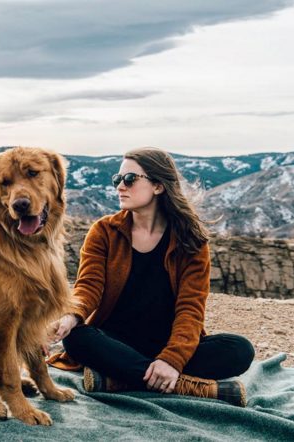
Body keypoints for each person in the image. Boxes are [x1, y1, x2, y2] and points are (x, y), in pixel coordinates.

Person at [47, 147, 255, 407]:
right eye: (117, 180)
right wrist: (70, 316)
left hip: (168, 343)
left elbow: (190, 309)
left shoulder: (191, 241)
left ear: (158, 186)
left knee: (239, 350)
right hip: (116, 342)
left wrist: (171, 359)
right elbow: (88, 287)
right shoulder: (104, 232)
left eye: (130, 179)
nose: (120, 186)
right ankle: (186, 386)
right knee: (77, 337)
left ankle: (122, 379)